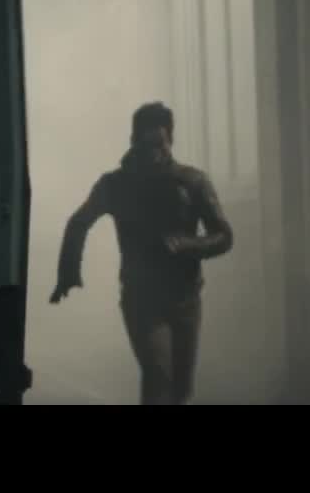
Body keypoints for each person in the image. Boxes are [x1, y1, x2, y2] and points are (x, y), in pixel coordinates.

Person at [50, 102, 233, 405]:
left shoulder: (192, 182)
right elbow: (78, 222)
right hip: (142, 300)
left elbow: (224, 236)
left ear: (170, 141)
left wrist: (189, 244)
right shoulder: (116, 184)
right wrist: (68, 273)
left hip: (186, 299)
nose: (154, 153)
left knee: (181, 391)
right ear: (134, 142)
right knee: (158, 379)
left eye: (160, 144)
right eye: (147, 145)